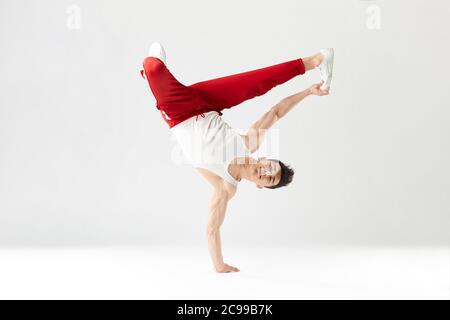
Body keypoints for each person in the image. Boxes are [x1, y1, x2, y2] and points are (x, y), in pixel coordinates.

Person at [140, 42, 334, 273]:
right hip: (209, 102)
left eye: (269, 179)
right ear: (264, 158)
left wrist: (219, 265)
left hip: (180, 112)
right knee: (255, 84)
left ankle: (150, 75)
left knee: (153, 68)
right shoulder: (249, 144)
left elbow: (212, 229)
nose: (267, 172)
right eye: (271, 167)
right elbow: (276, 112)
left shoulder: (226, 186)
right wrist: (307, 92)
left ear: (261, 186)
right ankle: (315, 60)